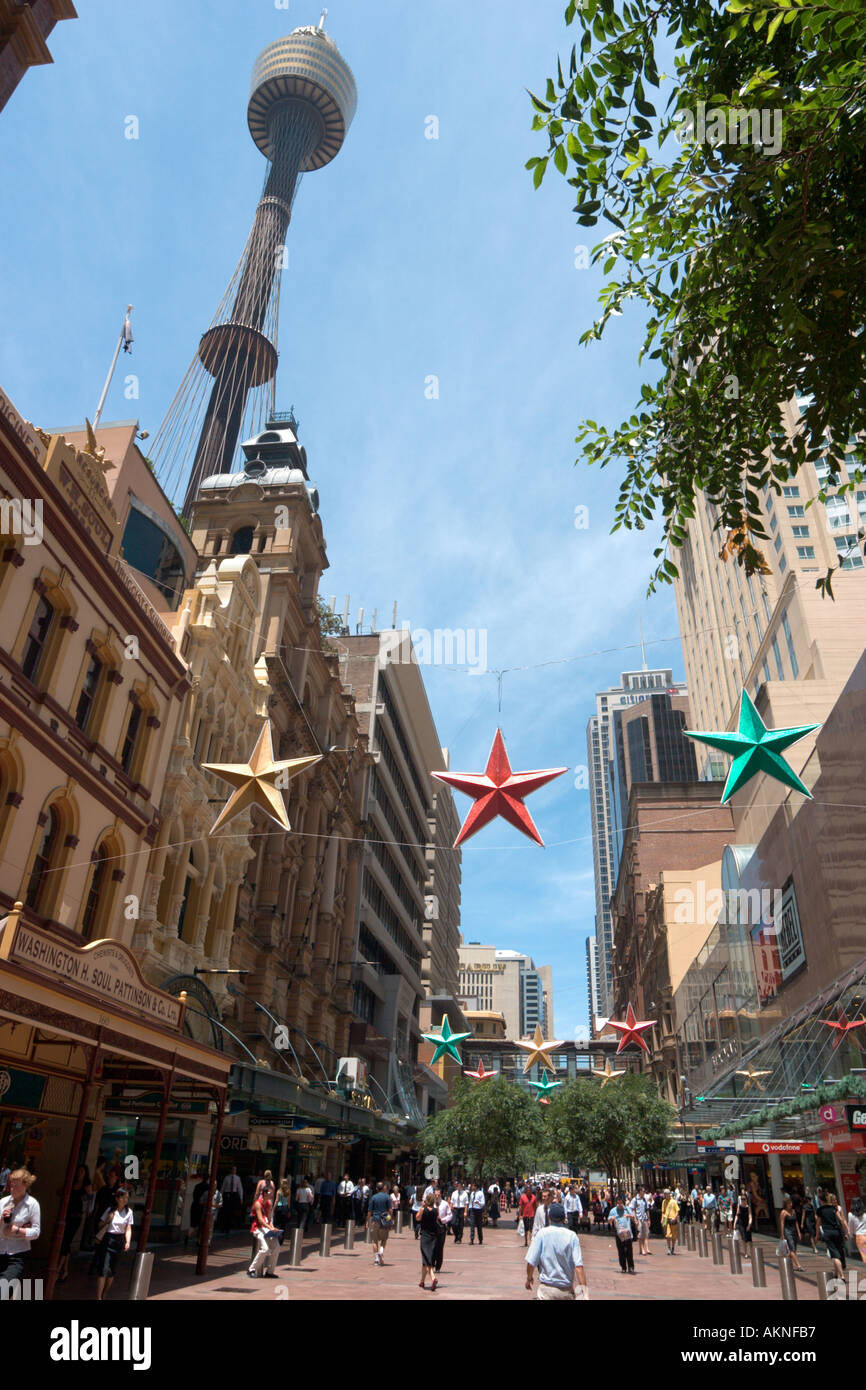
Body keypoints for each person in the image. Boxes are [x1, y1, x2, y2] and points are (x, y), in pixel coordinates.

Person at [525, 1202, 588, 1300]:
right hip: (566, 1291)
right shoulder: (572, 1236)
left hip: (546, 1291)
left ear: (549, 1218)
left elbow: (531, 1263)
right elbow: (579, 1267)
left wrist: (529, 1279)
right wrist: (584, 1293)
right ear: (564, 1219)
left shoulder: (542, 1234)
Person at [0, 1169, 40, 1293]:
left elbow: (36, 1232)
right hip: (0, 1250)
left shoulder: (32, 1204)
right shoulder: (3, 1202)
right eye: (11, 1185)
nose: (12, 1189)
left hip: (16, 1256)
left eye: (16, 1186)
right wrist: (1, 1219)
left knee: (4, 1290)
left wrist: (17, 1230)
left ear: (25, 1185)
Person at [92, 1185, 133, 1300]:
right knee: (103, 1269)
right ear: (117, 1198)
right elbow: (99, 1225)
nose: (125, 1200)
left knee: (111, 1270)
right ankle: (98, 1297)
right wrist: (107, 1220)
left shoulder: (129, 1212)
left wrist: (128, 1241)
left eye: (127, 1198)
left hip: (119, 1240)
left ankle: (105, 1293)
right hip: (107, 1239)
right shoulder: (110, 1210)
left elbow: (128, 1228)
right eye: (123, 1197)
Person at [56, 1164, 91, 1282]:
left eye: (82, 1172)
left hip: (76, 1216)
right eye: (79, 1171)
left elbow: (90, 1199)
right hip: (67, 1214)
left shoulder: (86, 1186)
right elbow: (60, 1191)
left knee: (66, 1241)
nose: (79, 1174)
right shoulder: (71, 1183)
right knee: (65, 1242)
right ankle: (65, 1270)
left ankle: (57, 1269)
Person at [248, 1188, 280, 1279]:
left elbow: (269, 1219)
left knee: (277, 1247)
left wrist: (272, 1227)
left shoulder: (269, 1203)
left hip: (266, 1229)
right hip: (258, 1228)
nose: (271, 1194)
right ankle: (252, 1269)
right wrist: (270, 1228)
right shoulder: (258, 1203)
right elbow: (260, 1220)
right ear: (265, 1193)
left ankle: (270, 1271)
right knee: (265, 1248)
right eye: (270, 1193)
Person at [816, 1191, 847, 1279]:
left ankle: (842, 1276)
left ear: (820, 1200)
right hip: (837, 1232)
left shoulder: (820, 1210)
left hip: (828, 1233)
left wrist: (817, 1235)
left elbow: (818, 1224)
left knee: (835, 1256)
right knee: (838, 1251)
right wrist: (844, 1231)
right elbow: (841, 1220)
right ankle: (836, 1274)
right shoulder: (833, 1208)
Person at [418, 1193, 440, 1291]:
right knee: (426, 1259)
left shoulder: (423, 1210)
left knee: (427, 1260)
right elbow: (436, 1219)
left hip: (425, 1237)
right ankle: (422, 1281)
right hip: (433, 1237)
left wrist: (422, 1207)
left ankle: (433, 1278)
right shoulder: (436, 1211)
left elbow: (417, 1217)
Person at [608, 1197, 637, 1274]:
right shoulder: (613, 1210)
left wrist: (629, 1216)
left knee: (629, 1250)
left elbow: (633, 1217)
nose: (619, 1205)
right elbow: (609, 1220)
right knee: (621, 1251)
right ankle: (623, 1267)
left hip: (627, 1232)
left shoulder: (627, 1209)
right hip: (619, 1233)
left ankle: (631, 1267)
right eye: (618, 1203)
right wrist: (612, 1219)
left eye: (621, 1203)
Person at [367, 1181, 392, 1266]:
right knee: (384, 1239)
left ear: (377, 1189)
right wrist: (390, 1220)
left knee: (375, 1241)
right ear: (383, 1188)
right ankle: (381, 1250)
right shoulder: (387, 1197)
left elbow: (369, 1211)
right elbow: (390, 1210)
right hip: (384, 1221)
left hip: (375, 1220)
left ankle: (376, 1259)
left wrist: (367, 1221)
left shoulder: (373, 1197)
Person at [778, 1196, 804, 1271]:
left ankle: (787, 1264)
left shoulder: (793, 1211)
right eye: (789, 1203)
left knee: (794, 1249)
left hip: (794, 1231)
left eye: (791, 1203)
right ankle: (799, 1266)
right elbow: (782, 1223)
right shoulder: (783, 1212)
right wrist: (782, 1234)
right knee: (792, 1249)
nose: (791, 1204)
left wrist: (799, 1232)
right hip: (787, 1231)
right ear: (786, 1204)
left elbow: (796, 1222)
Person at [220, 1166, 243, 1232]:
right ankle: (223, 1226)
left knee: (231, 1211)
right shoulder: (227, 1178)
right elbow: (223, 1187)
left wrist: (241, 1198)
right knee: (225, 1211)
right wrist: (220, 1197)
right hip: (227, 1194)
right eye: (232, 1169)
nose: (233, 1170)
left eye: (235, 1169)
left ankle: (228, 1227)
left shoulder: (237, 1178)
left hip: (234, 1195)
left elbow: (240, 1188)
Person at [629, 1186, 651, 1256]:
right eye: (643, 1191)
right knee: (640, 1234)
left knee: (646, 1234)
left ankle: (647, 1248)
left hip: (644, 1219)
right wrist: (635, 1219)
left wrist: (649, 1219)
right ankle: (642, 1249)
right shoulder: (635, 1199)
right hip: (639, 1219)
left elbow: (647, 1209)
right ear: (640, 1192)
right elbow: (633, 1209)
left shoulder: (644, 1199)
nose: (644, 1192)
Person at [435, 1189, 452, 1271]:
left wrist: (443, 1220)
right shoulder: (431, 1203)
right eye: (435, 1195)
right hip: (433, 1227)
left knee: (440, 1247)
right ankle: (432, 1263)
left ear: (441, 1195)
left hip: (442, 1226)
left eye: (438, 1195)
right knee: (433, 1246)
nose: (437, 1197)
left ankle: (438, 1266)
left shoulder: (445, 1204)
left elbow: (450, 1215)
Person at [735, 1185, 753, 1260]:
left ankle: (752, 1252)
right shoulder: (739, 1206)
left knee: (749, 1239)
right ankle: (745, 1253)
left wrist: (749, 1224)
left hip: (747, 1224)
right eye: (742, 1199)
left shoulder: (748, 1207)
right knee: (743, 1239)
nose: (743, 1200)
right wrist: (734, 1224)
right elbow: (737, 1215)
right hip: (741, 1224)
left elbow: (750, 1216)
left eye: (744, 1199)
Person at [518, 1184, 537, 1248]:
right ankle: (526, 1241)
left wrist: (536, 1214)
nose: (529, 1191)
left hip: (532, 1215)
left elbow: (535, 1206)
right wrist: (520, 1215)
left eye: (530, 1190)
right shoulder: (523, 1197)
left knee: (531, 1229)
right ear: (526, 1191)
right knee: (526, 1229)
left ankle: (531, 1241)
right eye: (527, 1190)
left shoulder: (533, 1197)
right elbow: (520, 1206)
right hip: (525, 1215)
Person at [847, 1196, 866, 1262]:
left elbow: (850, 1227)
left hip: (860, 1238)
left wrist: (851, 1236)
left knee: (865, 1254)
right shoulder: (865, 1214)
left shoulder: (850, 1215)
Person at [661, 1189, 679, 1255]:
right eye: (665, 1194)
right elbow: (663, 1211)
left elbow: (677, 1211)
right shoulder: (664, 1201)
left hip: (673, 1219)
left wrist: (674, 1217)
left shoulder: (673, 1201)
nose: (666, 1195)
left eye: (667, 1194)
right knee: (668, 1235)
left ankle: (673, 1248)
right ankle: (669, 1248)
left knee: (674, 1236)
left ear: (669, 1194)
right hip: (666, 1219)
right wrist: (662, 1219)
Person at [468, 1181, 486, 1245]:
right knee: (472, 1225)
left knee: (479, 1226)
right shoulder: (472, 1193)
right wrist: (469, 1209)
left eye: (474, 1186)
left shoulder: (481, 1193)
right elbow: (470, 1202)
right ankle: (472, 1239)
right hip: (473, 1210)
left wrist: (478, 1202)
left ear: (476, 1187)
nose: (473, 1187)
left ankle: (480, 1239)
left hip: (478, 1210)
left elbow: (483, 1203)